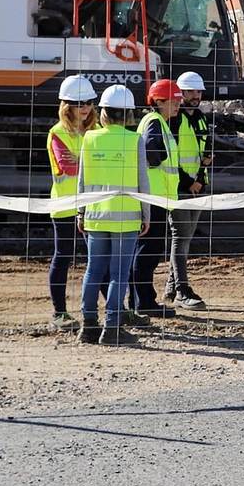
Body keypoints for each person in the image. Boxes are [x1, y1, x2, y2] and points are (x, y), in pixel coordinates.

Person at [76, 84, 151, 345]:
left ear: (103, 112)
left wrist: (80, 213)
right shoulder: (134, 140)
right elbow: (143, 181)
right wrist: (146, 215)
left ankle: (88, 326)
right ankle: (112, 327)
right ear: (129, 114)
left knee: (93, 270)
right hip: (126, 217)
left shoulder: (90, 138)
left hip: (96, 215)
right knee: (119, 274)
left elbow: (82, 181)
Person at [45, 75, 98, 330]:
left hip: (92, 204)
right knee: (63, 256)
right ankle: (60, 313)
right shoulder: (57, 133)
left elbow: (80, 164)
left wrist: (85, 162)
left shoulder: (95, 131)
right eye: (79, 103)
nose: (85, 108)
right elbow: (67, 166)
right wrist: (96, 162)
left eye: (88, 102)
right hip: (65, 205)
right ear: (67, 106)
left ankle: (114, 310)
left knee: (97, 258)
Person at [130, 78, 181, 317]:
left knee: (145, 251)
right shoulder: (154, 121)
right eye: (173, 100)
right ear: (158, 102)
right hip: (155, 198)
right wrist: (160, 157)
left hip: (155, 197)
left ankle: (138, 301)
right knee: (148, 252)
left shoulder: (156, 121)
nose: (178, 105)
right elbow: (151, 150)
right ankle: (144, 302)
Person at [167, 70, 211, 309]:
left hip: (197, 185)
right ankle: (182, 290)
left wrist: (204, 167)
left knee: (186, 238)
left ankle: (171, 288)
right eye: (191, 91)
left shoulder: (200, 118)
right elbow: (170, 157)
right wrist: (188, 183)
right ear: (180, 93)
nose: (196, 96)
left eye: (198, 91)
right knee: (181, 237)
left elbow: (202, 146)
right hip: (180, 187)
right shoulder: (174, 119)